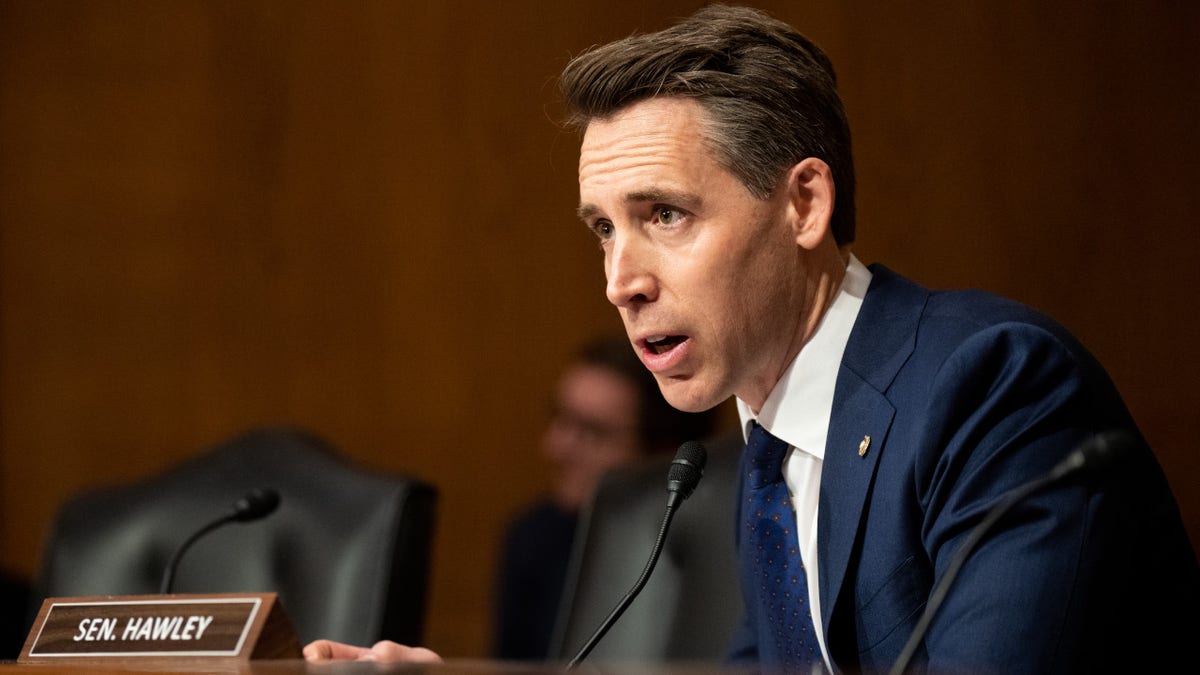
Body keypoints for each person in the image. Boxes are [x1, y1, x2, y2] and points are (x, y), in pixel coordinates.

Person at [305, 4, 1200, 672]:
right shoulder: (765, 453)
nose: (620, 280)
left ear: (804, 204)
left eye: (664, 214)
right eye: (604, 229)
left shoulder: (993, 388)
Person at [493, 335, 718, 660]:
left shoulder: (713, 556)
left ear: (667, 455)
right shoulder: (533, 537)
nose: (555, 448)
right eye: (560, 418)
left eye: (591, 432)